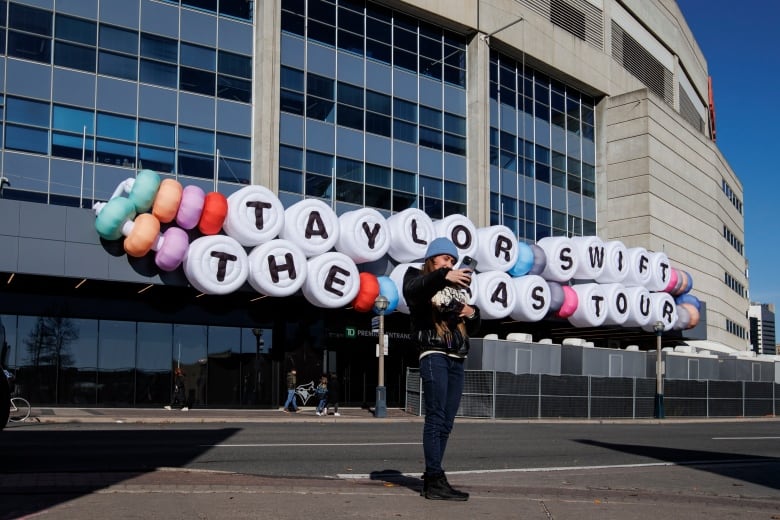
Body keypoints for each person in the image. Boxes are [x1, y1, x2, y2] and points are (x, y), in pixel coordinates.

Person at [403, 237, 481, 501]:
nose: (451, 264)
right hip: (433, 353)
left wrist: (472, 312)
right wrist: (445, 275)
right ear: (432, 260)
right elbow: (415, 291)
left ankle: (432, 477)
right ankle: (435, 478)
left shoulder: (457, 289)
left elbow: (474, 323)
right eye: (446, 259)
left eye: (453, 260)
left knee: (447, 422)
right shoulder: (417, 277)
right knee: (435, 416)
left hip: (456, 356)